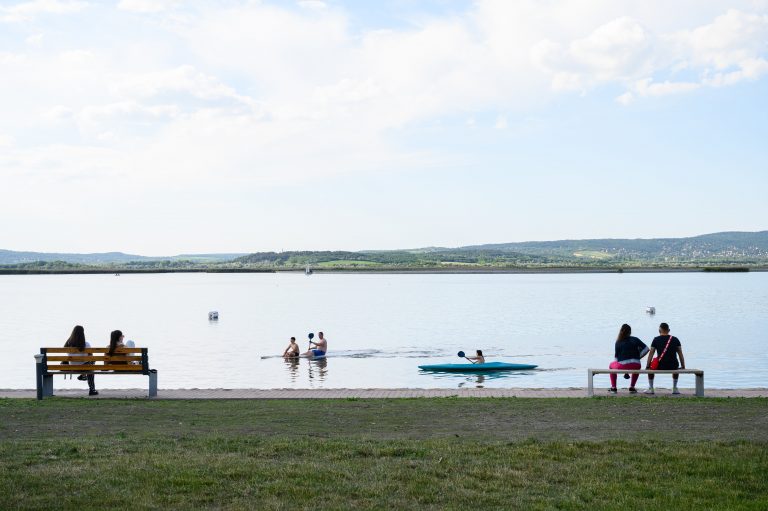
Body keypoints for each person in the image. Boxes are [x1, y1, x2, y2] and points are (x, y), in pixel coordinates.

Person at [645, 322, 686, 395]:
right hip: (673, 366)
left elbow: (651, 354)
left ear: (659, 330)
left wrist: (647, 366)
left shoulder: (656, 339)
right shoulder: (675, 339)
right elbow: (680, 354)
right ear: (669, 330)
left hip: (660, 365)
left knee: (650, 368)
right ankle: (674, 388)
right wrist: (683, 366)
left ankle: (651, 388)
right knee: (675, 365)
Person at [608, 324, 649, 394]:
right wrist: (638, 357)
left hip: (623, 365)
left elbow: (616, 359)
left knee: (611, 365)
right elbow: (646, 349)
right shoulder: (635, 339)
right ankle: (632, 387)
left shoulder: (618, 342)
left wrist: (624, 369)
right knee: (636, 368)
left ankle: (613, 388)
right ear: (630, 332)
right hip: (636, 364)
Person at [64, 325, 98, 396]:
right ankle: (92, 389)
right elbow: (91, 356)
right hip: (85, 367)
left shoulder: (68, 344)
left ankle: (83, 375)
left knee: (90, 365)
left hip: (72, 367)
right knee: (91, 364)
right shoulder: (86, 344)